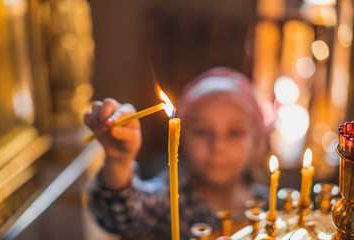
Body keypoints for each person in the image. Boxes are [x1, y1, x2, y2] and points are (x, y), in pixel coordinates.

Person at [85, 67, 269, 240]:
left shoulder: (271, 205)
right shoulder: (169, 197)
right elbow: (122, 214)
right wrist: (119, 160)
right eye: (202, 131)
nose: (217, 146)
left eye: (234, 132)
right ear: (182, 139)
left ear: (258, 143)